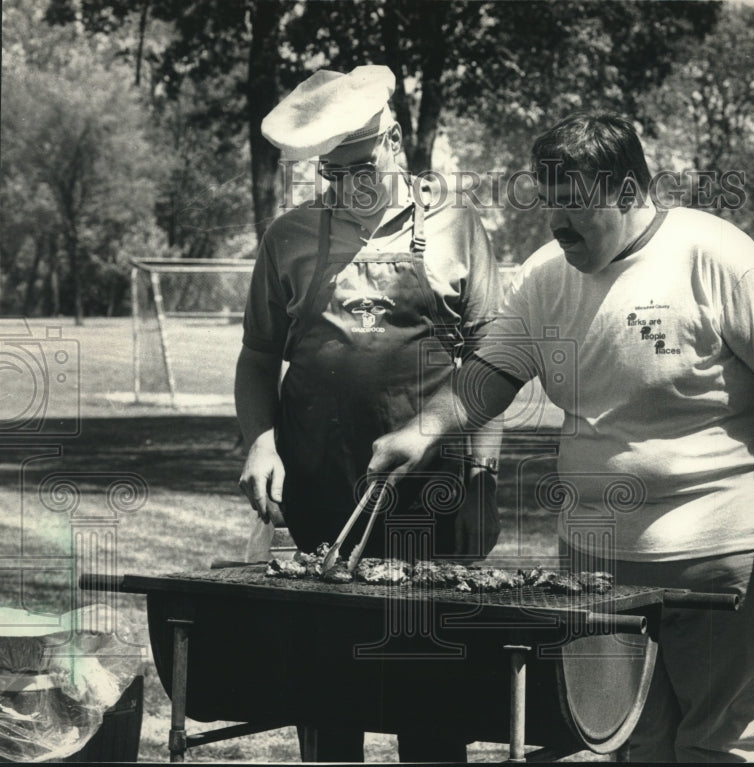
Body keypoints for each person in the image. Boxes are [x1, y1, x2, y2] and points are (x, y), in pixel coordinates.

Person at [369, 112, 754, 762]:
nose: (556, 223)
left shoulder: (716, 255)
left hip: (719, 559)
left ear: (629, 192)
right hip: (597, 565)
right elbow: (489, 376)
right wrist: (420, 432)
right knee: (627, 739)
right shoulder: (547, 277)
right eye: (548, 200)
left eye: (574, 205)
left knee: (721, 745)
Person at [235, 65, 503, 763]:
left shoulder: (458, 227)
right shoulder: (289, 238)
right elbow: (258, 357)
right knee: (325, 690)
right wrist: (260, 442)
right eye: (330, 171)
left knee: (432, 692)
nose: (345, 182)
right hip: (319, 484)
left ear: (393, 142)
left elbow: (489, 360)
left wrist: (483, 468)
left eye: (358, 164)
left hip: (430, 492)